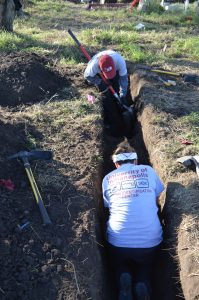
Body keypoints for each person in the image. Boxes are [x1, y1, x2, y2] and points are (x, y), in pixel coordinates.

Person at [102, 140, 164, 300]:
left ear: (116, 164)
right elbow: (157, 196)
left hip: (119, 241)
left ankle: (123, 274)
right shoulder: (148, 171)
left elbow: (108, 206)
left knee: (118, 262)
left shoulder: (108, 178)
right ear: (136, 161)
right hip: (150, 241)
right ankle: (142, 281)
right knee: (145, 265)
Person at [84, 50, 130, 135]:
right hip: (99, 76)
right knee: (106, 96)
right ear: (100, 68)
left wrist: (123, 94)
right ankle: (111, 117)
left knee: (115, 86)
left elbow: (123, 79)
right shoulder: (93, 67)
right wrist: (100, 81)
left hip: (114, 69)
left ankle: (118, 102)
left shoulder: (120, 61)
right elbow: (87, 76)